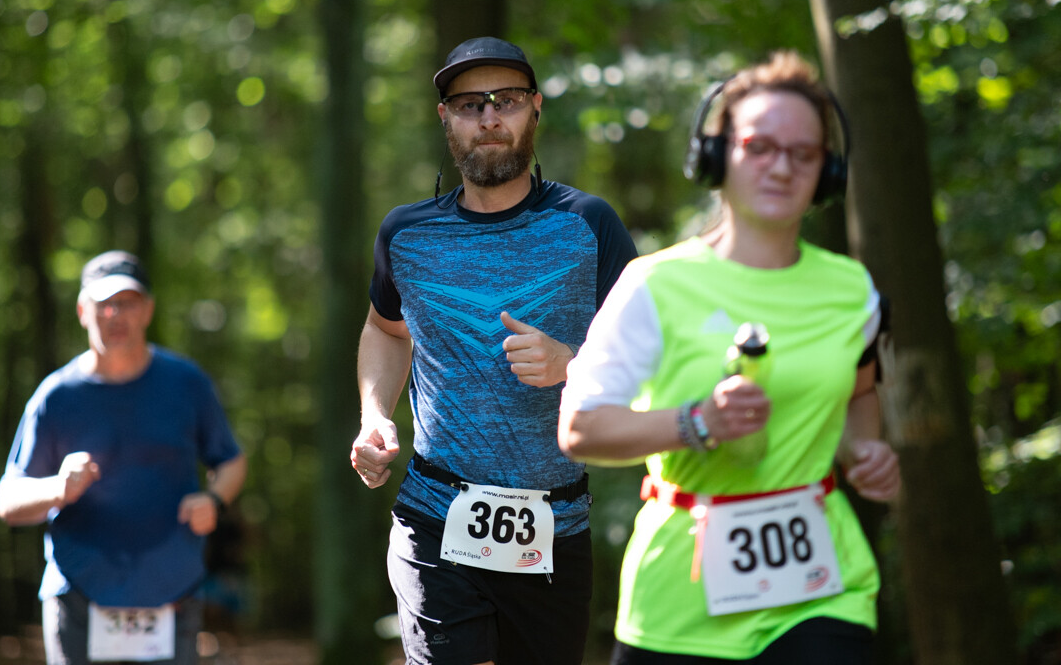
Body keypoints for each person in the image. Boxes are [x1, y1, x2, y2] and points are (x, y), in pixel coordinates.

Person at [558, 51, 900, 664]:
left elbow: (859, 393)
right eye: (759, 146)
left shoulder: (853, 292)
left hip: (824, 587)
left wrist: (863, 451)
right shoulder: (654, 285)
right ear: (718, 156)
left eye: (804, 153)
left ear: (828, 170)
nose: (782, 167)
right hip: (679, 595)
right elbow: (580, 429)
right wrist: (698, 423)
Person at [351, 36, 638, 665]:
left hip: (555, 526)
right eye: (468, 103)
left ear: (535, 108)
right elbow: (384, 329)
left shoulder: (589, 225)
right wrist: (376, 416)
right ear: (445, 118)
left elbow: (653, 357)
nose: (488, 117)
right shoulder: (407, 233)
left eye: (504, 100)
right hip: (435, 516)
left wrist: (573, 364)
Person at [0, 250, 247, 665]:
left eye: (127, 303)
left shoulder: (186, 384)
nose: (116, 314)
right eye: (104, 304)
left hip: (172, 590)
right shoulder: (55, 397)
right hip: (78, 592)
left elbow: (231, 461)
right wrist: (56, 488)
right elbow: (8, 501)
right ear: (82, 310)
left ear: (147, 310)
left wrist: (214, 501)